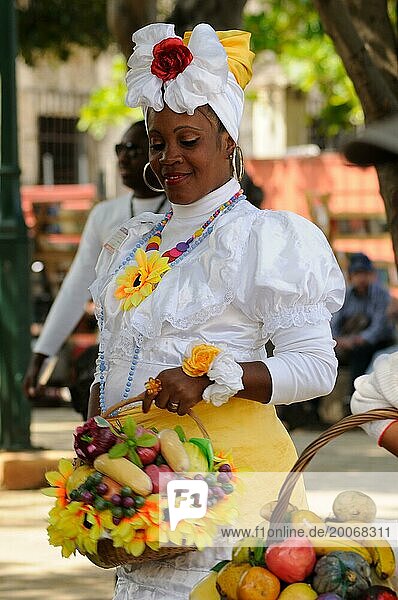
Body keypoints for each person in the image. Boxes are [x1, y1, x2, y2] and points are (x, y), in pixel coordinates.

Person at [87, 23, 345, 599]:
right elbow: (113, 356)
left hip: (225, 486)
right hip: (141, 490)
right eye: (158, 143)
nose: (169, 157)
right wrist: (95, 441)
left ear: (229, 139)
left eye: (188, 140)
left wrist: (210, 380)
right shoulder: (132, 242)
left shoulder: (264, 240)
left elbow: (316, 368)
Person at [23, 120, 168, 414]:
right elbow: (76, 288)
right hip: (114, 363)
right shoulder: (104, 215)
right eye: (120, 148)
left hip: (165, 365)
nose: (123, 158)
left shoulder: (182, 212)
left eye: (134, 149)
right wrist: (41, 355)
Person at [344, 112, 398, 458]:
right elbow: (369, 395)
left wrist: (359, 340)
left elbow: (379, 328)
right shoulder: (349, 296)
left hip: (376, 345)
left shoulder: (379, 293)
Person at [331, 252, 395, 397]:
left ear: (372, 274)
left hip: (376, 342)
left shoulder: (381, 294)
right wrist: (337, 340)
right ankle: (310, 408)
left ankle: (354, 397)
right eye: (357, 273)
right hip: (347, 341)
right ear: (350, 276)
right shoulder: (345, 295)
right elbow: (334, 322)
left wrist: (356, 340)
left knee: (360, 353)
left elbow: (378, 328)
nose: (361, 278)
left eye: (364, 273)